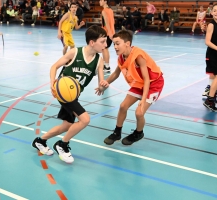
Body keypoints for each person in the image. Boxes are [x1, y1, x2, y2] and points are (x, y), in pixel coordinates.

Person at [32, 25, 108, 163]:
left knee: (66, 126)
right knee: (85, 119)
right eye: (102, 42)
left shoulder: (99, 61)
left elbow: (101, 83)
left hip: (73, 95)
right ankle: (62, 144)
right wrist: (52, 83)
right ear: (92, 42)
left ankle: (40, 141)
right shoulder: (74, 53)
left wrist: (102, 87)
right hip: (63, 92)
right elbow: (54, 66)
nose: (105, 45)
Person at [97, 30, 164, 145]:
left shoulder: (138, 56)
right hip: (139, 83)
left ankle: (139, 133)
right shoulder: (121, 57)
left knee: (139, 113)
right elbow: (115, 74)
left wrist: (143, 101)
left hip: (153, 84)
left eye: (118, 43)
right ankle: (117, 132)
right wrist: (105, 83)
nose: (115, 47)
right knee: (123, 106)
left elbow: (147, 79)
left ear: (127, 43)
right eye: (114, 44)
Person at [99, 0, 115, 72]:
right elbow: (113, 22)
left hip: (107, 33)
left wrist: (109, 32)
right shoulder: (110, 10)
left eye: (101, 0)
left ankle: (107, 66)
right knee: (106, 49)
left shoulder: (104, 11)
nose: (99, 2)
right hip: (111, 32)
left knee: (104, 49)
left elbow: (107, 23)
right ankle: (106, 65)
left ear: (105, 1)